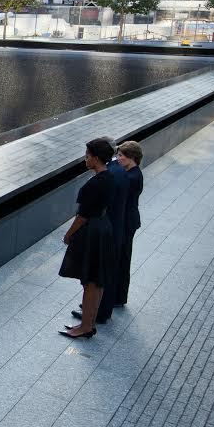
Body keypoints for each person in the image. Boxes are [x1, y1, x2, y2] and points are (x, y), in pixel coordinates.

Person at [59, 139, 116, 338]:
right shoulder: (110, 176)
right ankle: (89, 323)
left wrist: (68, 234)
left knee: (90, 281)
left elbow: (82, 216)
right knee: (96, 280)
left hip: (92, 231)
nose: (85, 158)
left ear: (96, 158)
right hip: (103, 227)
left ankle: (85, 327)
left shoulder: (95, 183)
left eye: (88, 155)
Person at [91, 136, 128, 324]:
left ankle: (97, 312)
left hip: (108, 229)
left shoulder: (110, 174)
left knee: (100, 274)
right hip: (116, 226)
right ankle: (97, 309)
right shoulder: (119, 169)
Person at [114, 140, 145, 307]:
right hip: (129, 219)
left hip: (126, 222)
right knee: (123, 258)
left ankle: (117, 297)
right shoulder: (133, 173)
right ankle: (118, 296)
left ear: (131, 158)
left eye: (120, 156)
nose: (117, 158)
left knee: (122, 259)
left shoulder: (130, 177)